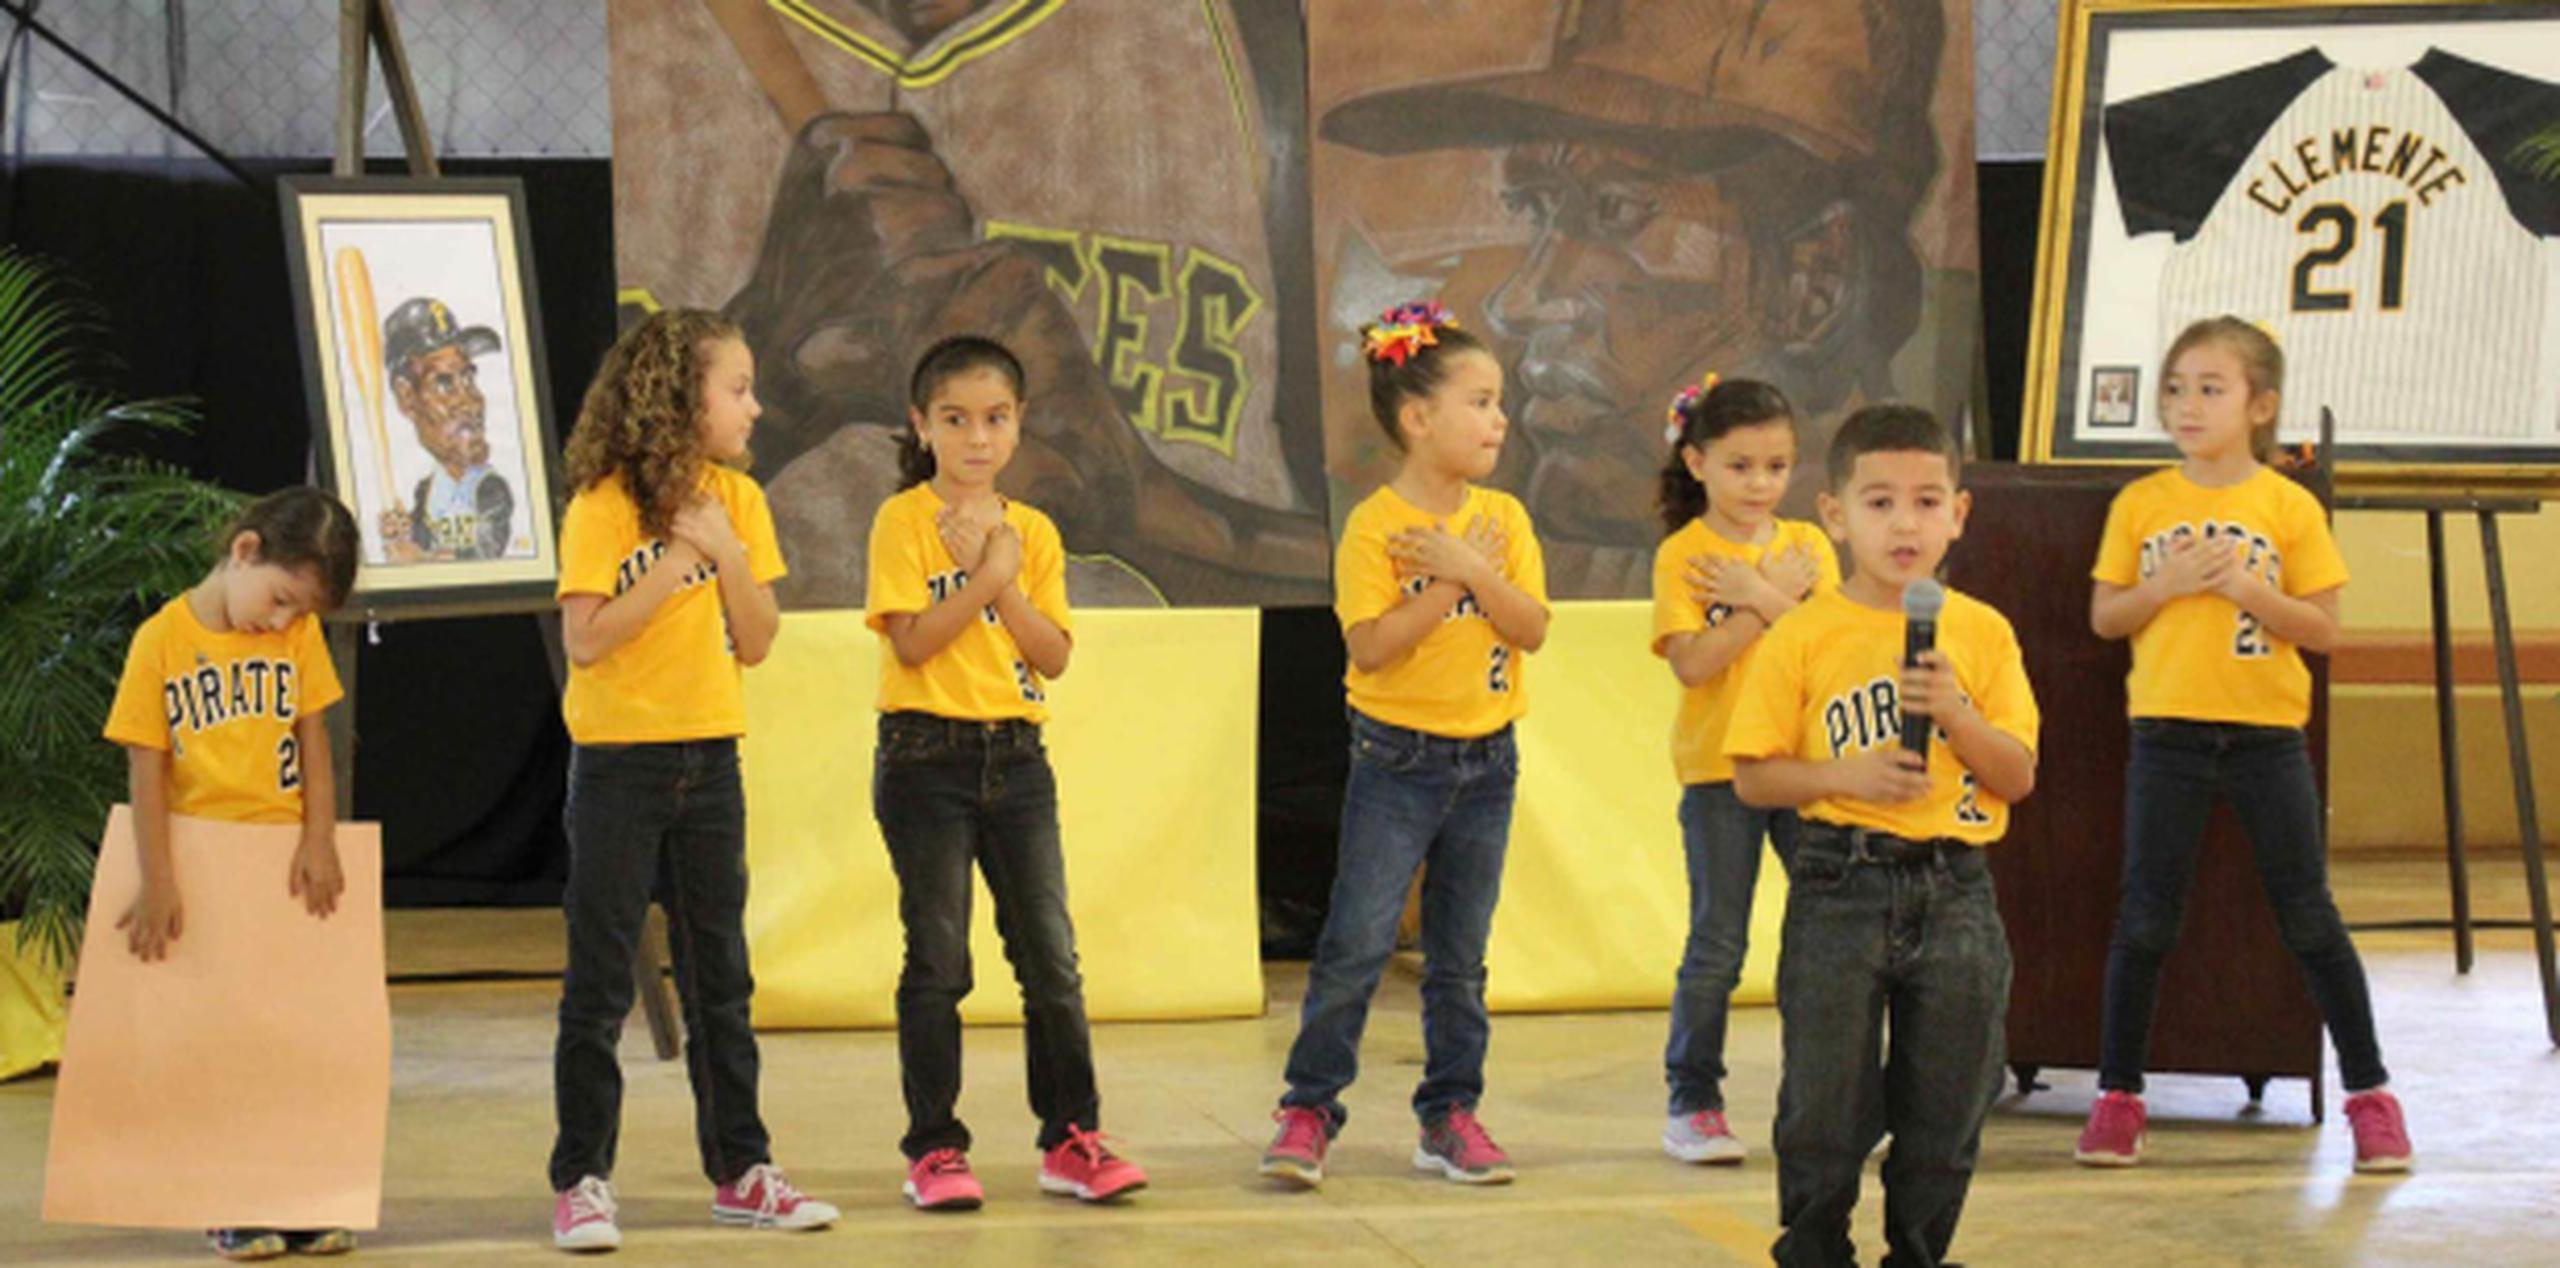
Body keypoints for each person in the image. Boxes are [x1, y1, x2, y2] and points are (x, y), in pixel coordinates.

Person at [2077, 316, 2411, 1173]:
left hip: (2267, 742)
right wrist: (2168, 583)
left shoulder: (2288, 507)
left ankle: (2371, 1096)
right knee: (2146, 916)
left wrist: (2251, 590)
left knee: (2309, 916)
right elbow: (2106, 616)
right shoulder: (2142, 503)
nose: (2187, 404)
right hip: (2167, 736)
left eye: (2210, 388)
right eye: (2176, 386)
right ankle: (2119, 1098)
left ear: (2259, 406)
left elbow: (2325, 629)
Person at [546, 309, 837, 1251]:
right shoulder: (601, 505)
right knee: (598, 986)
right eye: (738, 388)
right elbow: (586, 641)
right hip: (620, 766)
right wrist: (680, 557)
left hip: (711, 760)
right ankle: (582, 1178)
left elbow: (755, 640)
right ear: (680, 398)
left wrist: (730, 553)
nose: (756, 406)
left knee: (723, 981)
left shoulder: (737, 501)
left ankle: (742, 1168)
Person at [1725, 405, 2039, 1266]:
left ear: (1958, 516)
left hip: (1957, 888)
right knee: (1826, 1101)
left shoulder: (1980, 633)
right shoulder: (1801, 633)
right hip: (1839, 883)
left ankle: (1920, 1252)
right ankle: (1817, 1246)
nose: (1906, 523)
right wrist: (1842, 777)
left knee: (1949, 1098)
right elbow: (1754, 776)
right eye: (1879, 502)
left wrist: (1957, 713)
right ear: (1834, 514)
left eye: (1928, 502)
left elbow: (2015, 775)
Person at [1260, 302, 1549, 1188]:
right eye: (1482, 402)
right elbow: (1371, 647)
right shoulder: (1375, 527)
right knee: (1356, 942)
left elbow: (1531, 627)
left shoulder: (1502, 520)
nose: (1500, 420)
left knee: (1459, 957)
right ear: (1419, 419)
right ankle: (1310, 1106)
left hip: (1487, 762)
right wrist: (1447, 584)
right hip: (1397, 763)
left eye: (1501, 403)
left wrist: (1474, 570)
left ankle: (1450, 1113)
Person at [866, 334, 1150, 1211]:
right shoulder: (903, 520)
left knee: (1051, 960)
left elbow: (1052, 654)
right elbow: (912, 641)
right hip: (925, 758)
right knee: (940, 961)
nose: (976, 439)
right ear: (922, 425)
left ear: (1020, 425)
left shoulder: (1034, 532)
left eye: (994, 419)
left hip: (1018, 761)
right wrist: (981, 573)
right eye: (954, 420)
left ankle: (1072, 1135)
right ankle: (936, 1147)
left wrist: (1003, 578)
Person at [102, 486, 363, 1261]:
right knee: (222, 1047)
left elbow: (314, 738)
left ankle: (301, 1197)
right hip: (205, 867)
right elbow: (145, 769)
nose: (282, 622)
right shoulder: (161, 642)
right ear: (244, 550)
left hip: (282, 869)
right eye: (281, 600)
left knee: (291, 1043)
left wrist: (320, 837)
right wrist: (159, 878)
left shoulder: (296, 638)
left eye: (300, 614)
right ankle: (231, 1200)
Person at [1648, 375, 1836, 1164]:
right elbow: (1694, 664)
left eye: (1776, 467)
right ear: (1696, 464)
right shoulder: (1684, 556)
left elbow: (1834, 647)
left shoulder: (1808, 548)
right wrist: (1766, 604)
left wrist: (1758, 593)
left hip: (1803, 768)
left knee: (1824, 939)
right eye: (1740, 466)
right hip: (1721, 773)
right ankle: (1693, 1100)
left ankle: (1823, 1098)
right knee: (1718, 943)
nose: (1760, 485)